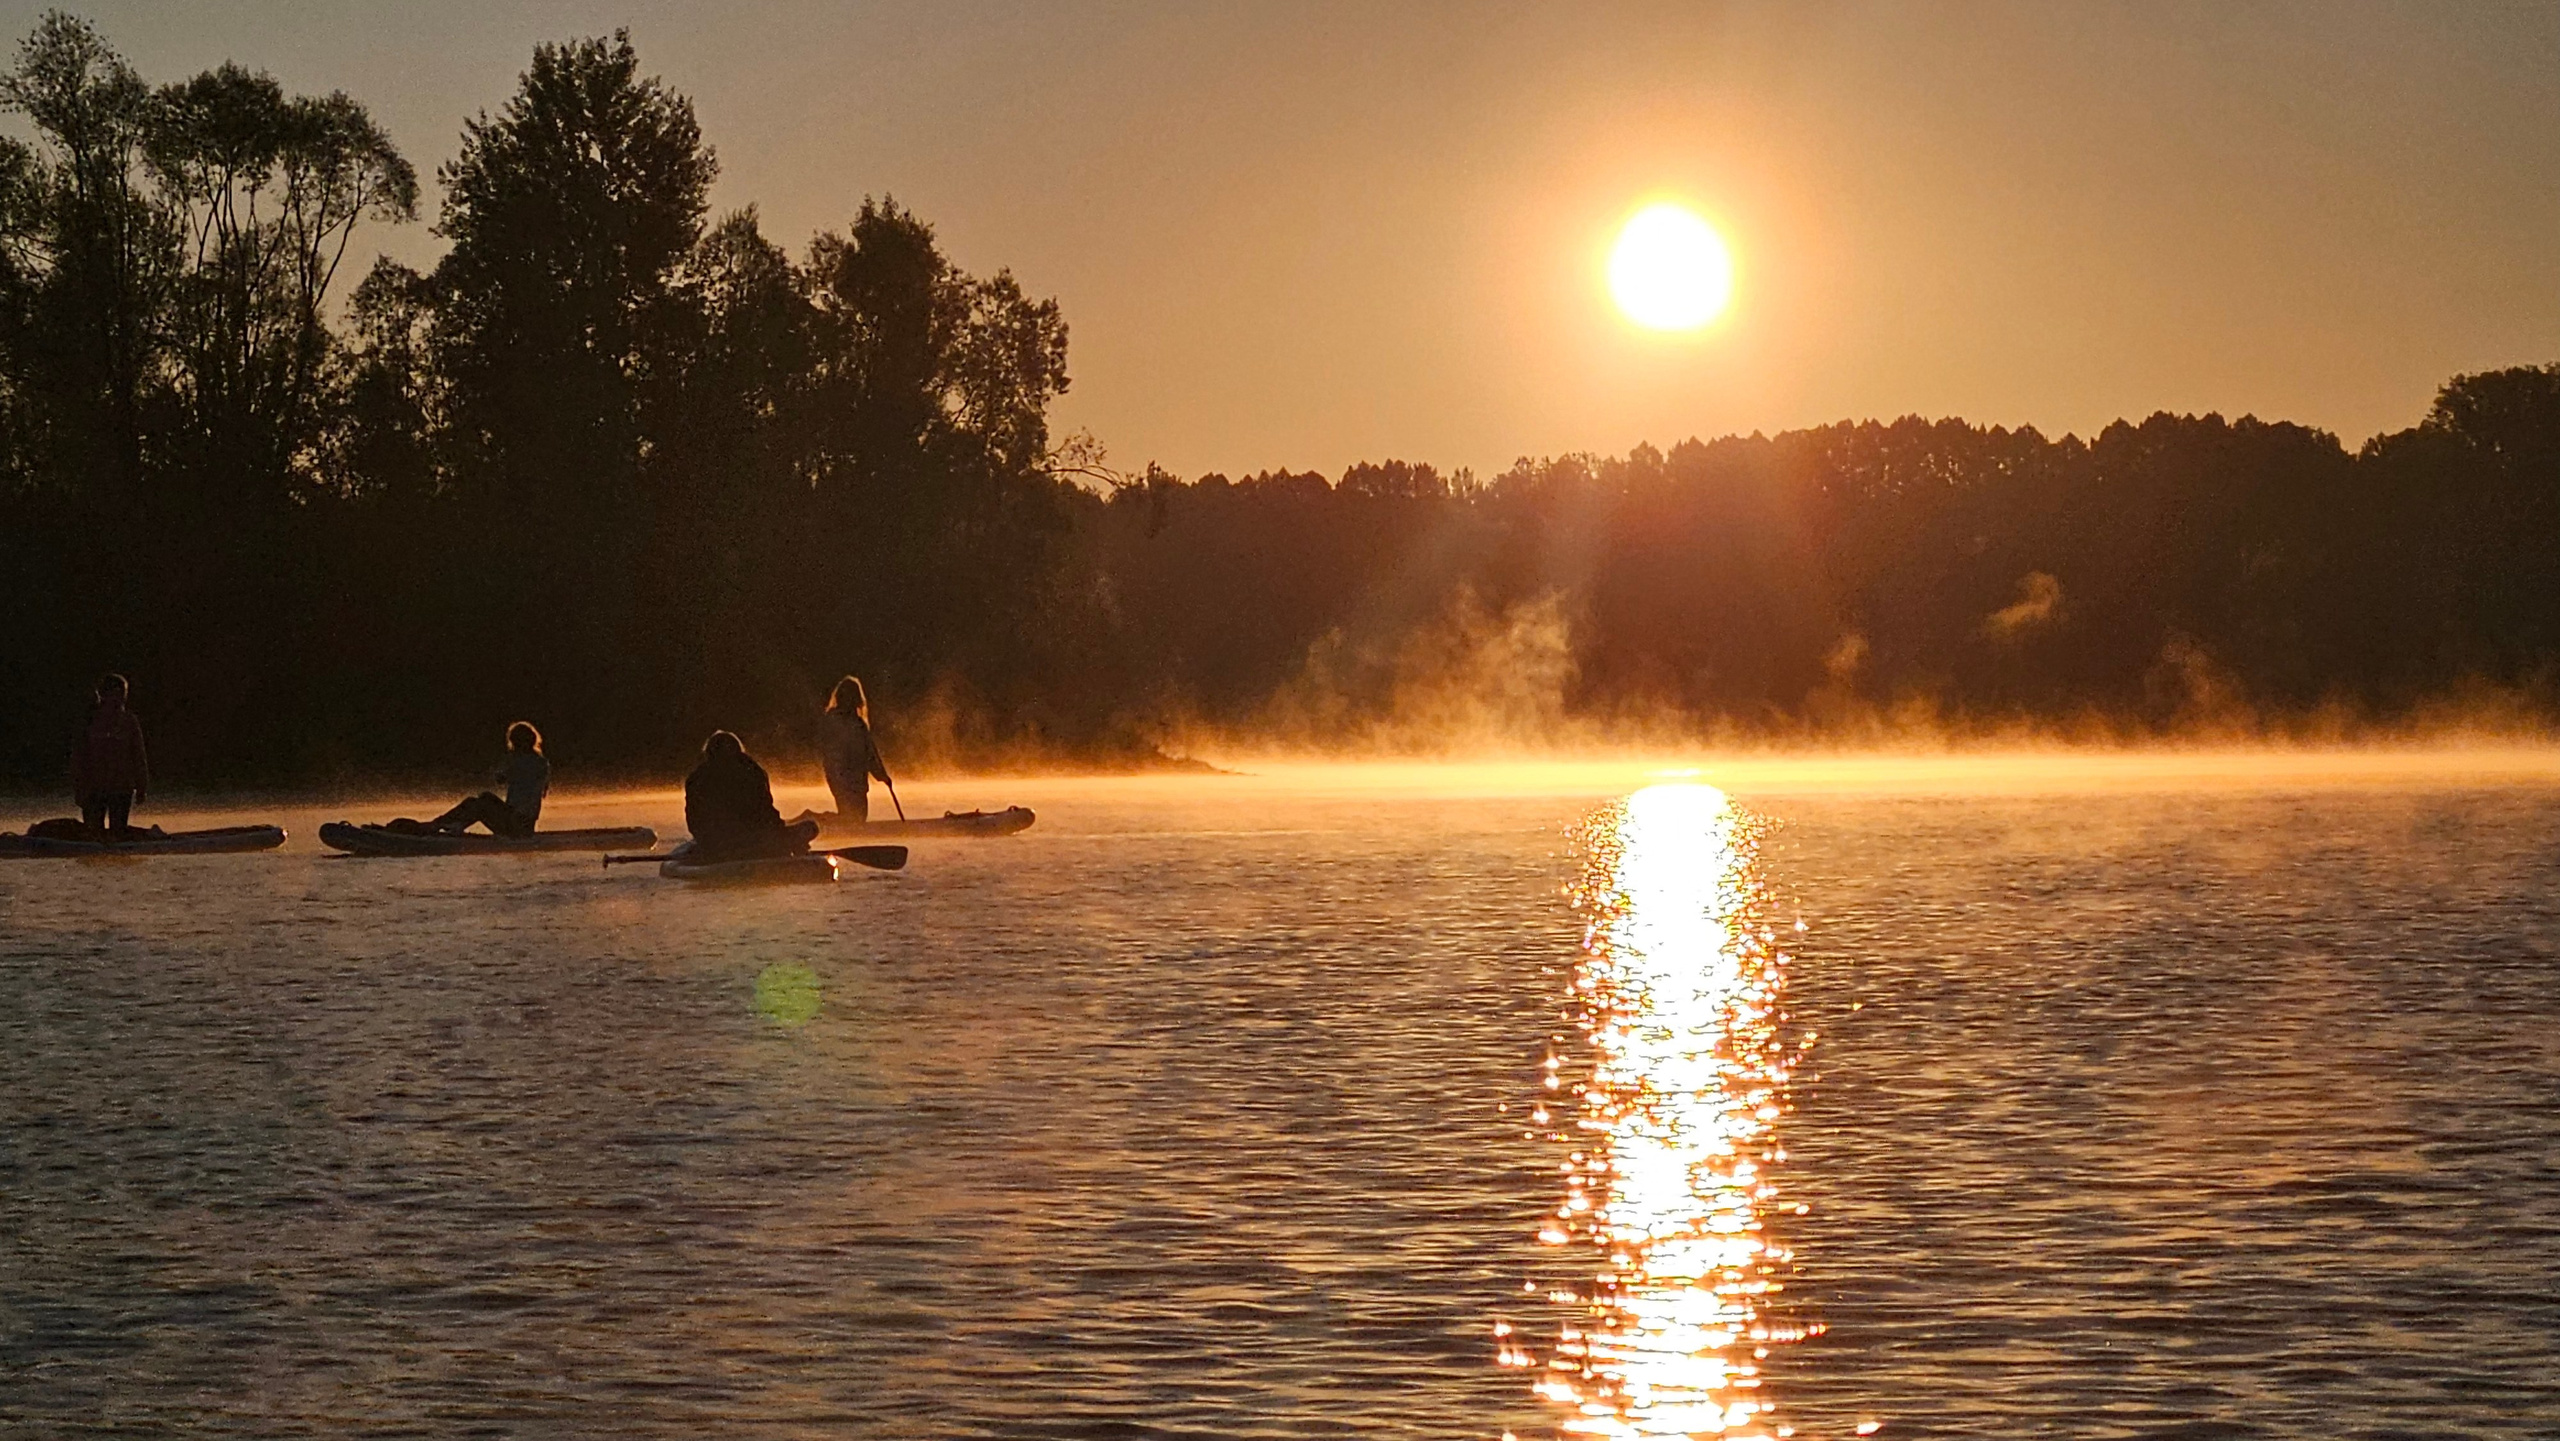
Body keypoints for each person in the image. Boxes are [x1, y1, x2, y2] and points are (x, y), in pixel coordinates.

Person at [686, 730, 818, 861]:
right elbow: (766, 811)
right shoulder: (752, 772)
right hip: (748, 840)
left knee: (808, 828)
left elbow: (693, 819)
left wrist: (704, 840)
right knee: (808, 827)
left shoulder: (697, 777)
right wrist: (780, 833)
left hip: (724, 842)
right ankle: (782, 847)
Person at [409, 722, 548, 837]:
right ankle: (448, 825)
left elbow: (501, 778)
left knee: (480, 804)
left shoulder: (527, 762)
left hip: (519, 826)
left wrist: (506, 764)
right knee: (483, 797)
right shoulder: (538, 762)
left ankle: (439, 825)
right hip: (517, 821)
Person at [69, 673, 149, 837]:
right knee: (93, 832)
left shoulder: (129, 721)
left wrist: (141, 786)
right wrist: (79, 788)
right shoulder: (89, 721)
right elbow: (79, 757)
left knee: (118, 832)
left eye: (122, 693)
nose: (119, 698)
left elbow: (138, 756)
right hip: (93, 787)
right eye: (115, 693)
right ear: (103, 694)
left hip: (121, 788)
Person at [819, 675, 894, 823]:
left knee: (857, 818)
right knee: (851, 818)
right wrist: (838, 778)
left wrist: (882, 776)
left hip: (856, 781)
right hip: (842, 780)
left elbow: (870, 754)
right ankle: (820, 821)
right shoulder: (834, 721)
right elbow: (831, 753)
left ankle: (823, 821)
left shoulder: (858, 724)